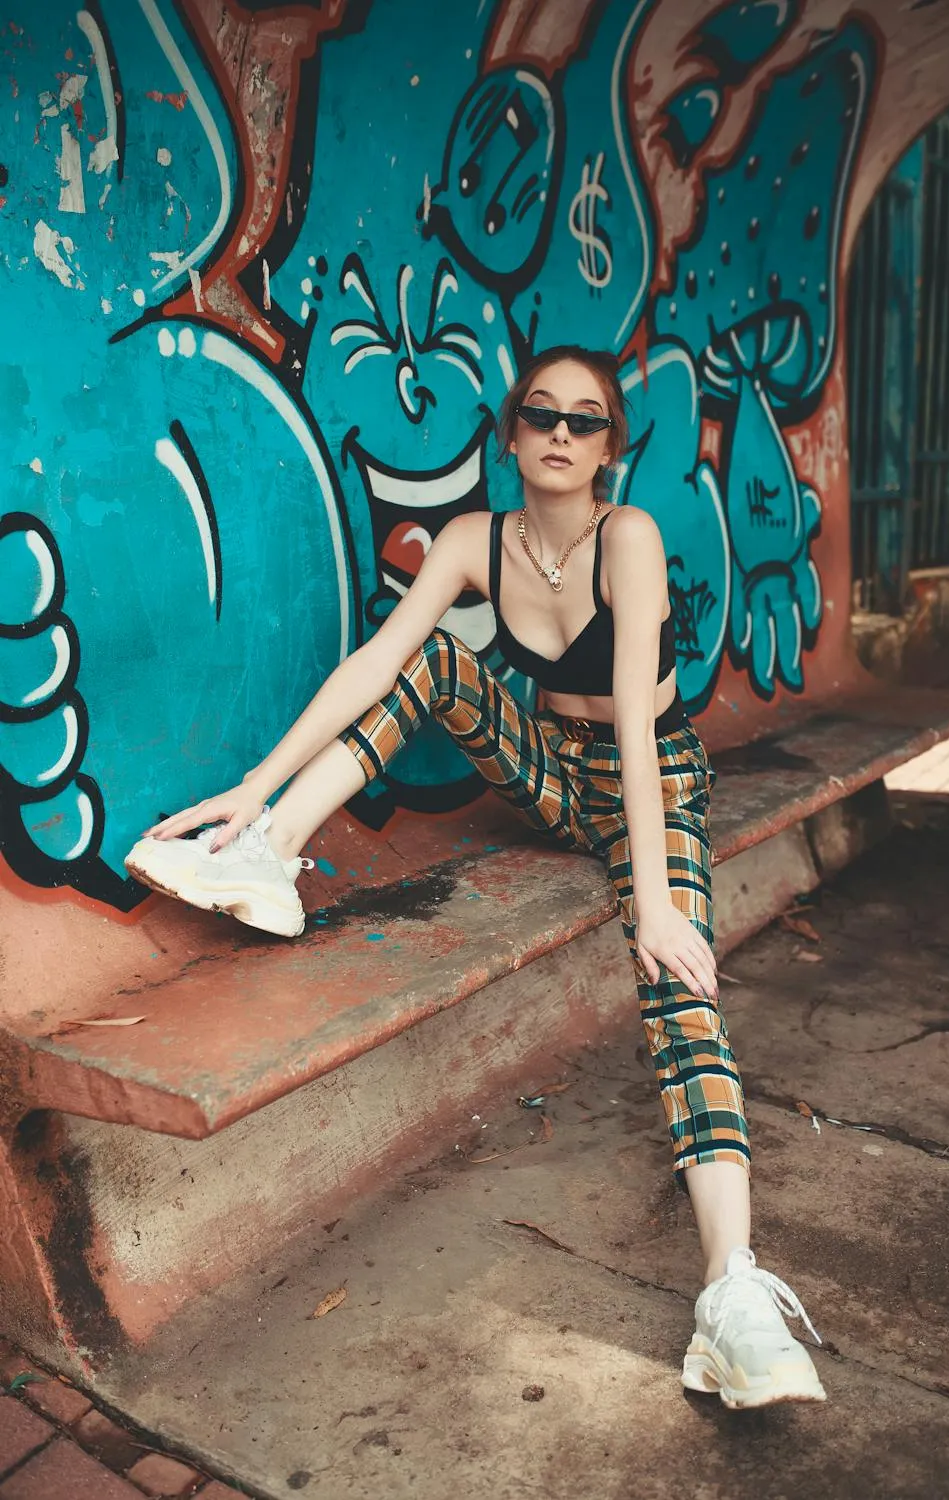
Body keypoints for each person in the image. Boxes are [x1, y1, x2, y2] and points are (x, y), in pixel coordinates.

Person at [125, 345, 825, 1410]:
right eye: (539, 413)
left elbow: (638, 727)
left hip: (657, 788)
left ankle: (731, 1293)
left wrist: (653, 899)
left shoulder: (625, 539)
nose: (558, 432)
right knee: (431, 664)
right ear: (509, 436)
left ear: (608, 448)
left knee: (681, 985)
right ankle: (266, 852)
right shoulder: (471, 541)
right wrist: (252, 788)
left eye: (583, 421)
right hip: (554, 778)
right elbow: (375, 665)